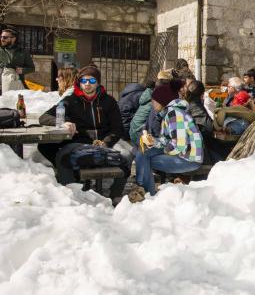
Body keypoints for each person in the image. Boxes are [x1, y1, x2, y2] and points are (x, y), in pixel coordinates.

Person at [38, 65, 128, 204]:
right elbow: (44, 117)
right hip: (78, 144)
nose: (87, 84)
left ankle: (114, 195)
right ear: (79, 82)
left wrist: (106, 142)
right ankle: (70, 196)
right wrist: (63, 123)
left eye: (92, 81)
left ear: (97, 82)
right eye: (84, 81)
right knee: (63, 157)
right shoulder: (71, 100)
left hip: (103, 144)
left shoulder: (108, 101)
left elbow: (117, 129)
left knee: (126, 158)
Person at [133, 83, 204, 198]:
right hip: (184, 154)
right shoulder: (169, 113)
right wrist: (154, 142)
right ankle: (144, 191)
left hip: (189, 159)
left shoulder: (174, 114)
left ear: (162, 100)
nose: (152, 103)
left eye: (154, 100)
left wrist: (162, 149)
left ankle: (146, 193)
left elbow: (179, 146)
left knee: (145, 160)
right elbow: (168, 140)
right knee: (142, 153)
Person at [0, 27, 35, 93]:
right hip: (4, 84)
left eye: (5, 37)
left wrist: (23, 70)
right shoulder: (1, 51)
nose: (2, 39)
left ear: (13, 39)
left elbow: (32, 68)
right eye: (1, 37)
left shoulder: (23, 52)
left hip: (18, 83)